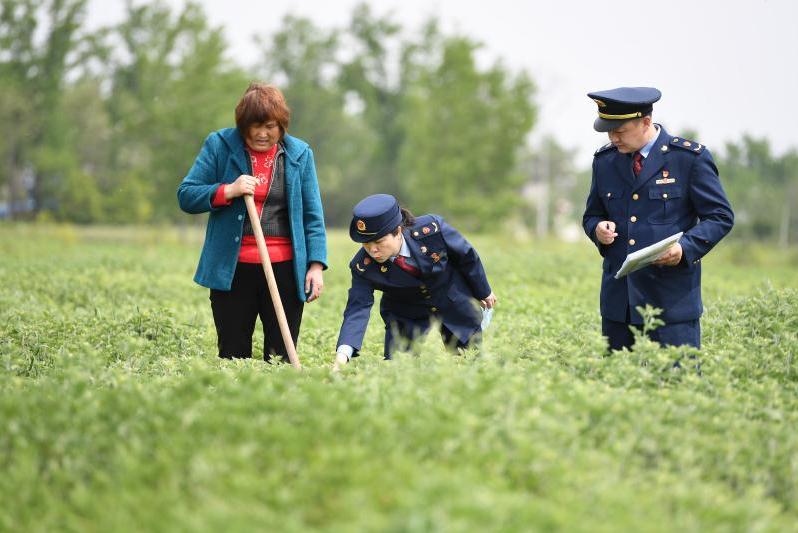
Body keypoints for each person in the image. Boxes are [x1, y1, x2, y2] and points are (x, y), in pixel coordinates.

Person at [178, 82, 327, 361]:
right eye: (254, 126)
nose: (261, 133)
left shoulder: (299, 154)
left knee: (281, 357)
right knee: (233, 356)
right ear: (241, 124)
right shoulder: (220, 145)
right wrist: (228, 190)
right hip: (233, 271)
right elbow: (186, 195)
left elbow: (313, 216)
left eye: (269, 126)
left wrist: (316, 265)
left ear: (282, 125)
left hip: (285, 270)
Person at [582, 87, 734, 351]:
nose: (613, 138)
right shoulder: (605, 161)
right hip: (620, 304)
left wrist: (685, 248)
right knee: (616, 387)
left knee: (674, 385)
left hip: (671, 304)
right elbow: (592, 214)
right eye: (609, 131)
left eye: (620, 131)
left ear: (646, 122)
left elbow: (720, 216)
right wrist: (598, 228)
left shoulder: (688, 159)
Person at [333, 194, 496, 367]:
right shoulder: (362, 267)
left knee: (471, 362)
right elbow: (357, 309)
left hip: (451, 300)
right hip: (405, 313)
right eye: (366, 244)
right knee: (399, 370)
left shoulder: (432, 230)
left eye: (379, 242)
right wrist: (342, 357)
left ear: (398, 231)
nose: (373, 250)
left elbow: (466, 256)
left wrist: (483, 291)